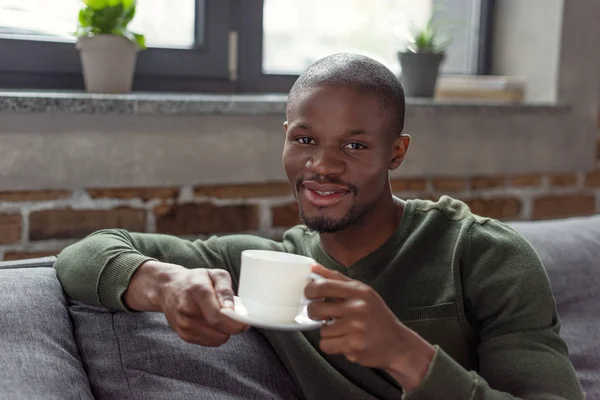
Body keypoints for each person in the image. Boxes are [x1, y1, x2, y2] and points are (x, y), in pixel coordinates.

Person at [55, 53, 584, 399]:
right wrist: (165, 284)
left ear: (396, 152)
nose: (323, 166)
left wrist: (406, 354)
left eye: (355, 146)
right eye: (305, 140)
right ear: (285, 138)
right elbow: (83, 256)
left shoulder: (483, 254)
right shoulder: (267, 267)